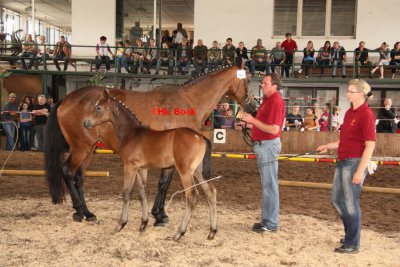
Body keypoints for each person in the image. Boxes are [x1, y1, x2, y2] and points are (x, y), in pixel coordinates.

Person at [316, 79, 376, 254]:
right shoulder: (350, 113)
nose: (347, 94)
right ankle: (351, 234)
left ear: (361, 94)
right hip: (343, 161)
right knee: (337, 199)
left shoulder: (367, 114)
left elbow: (370, 145)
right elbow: (344, 140)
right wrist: (328, 146)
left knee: (351, 204)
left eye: (351, 91)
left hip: (354, 163)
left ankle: (352, 243)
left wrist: (359, 170)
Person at [241, 73, 286, 233]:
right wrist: (248, 125)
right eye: (263, 83)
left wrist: (252, 121)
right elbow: (263, 125)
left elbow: (274, 129)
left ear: (274, 85)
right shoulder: (268, 100)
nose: (263, 85)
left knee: (270, 186)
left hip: (268, 146)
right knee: (267, 185)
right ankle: (266, 221)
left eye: (266, 83)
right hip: (263, 145)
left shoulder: (275, 101)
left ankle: (271, 223)